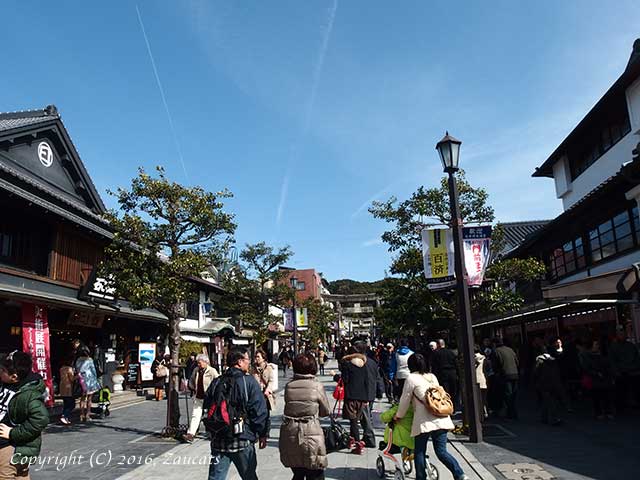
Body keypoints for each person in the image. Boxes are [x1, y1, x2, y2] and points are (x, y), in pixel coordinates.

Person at [394, 354, 468, 480]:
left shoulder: (411, 378)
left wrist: (398, 416)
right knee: (441, 451)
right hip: (441, 418)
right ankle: (459, 474)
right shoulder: (432, 376)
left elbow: (405, 400)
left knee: (420, 451)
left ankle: (421, 477)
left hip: (424, 421)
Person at [204, 347, 268, 480]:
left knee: (215, 477)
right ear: (239, 362)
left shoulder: (217, 381)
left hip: (219, 438)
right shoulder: (248, 381)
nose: (249, 362)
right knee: (249, 476)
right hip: (242, 438)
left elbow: (207, 406)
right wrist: (261, 433)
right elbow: (259, 411)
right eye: (247, 359)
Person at [279, 353, 331, 480]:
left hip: (290, 430)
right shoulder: (317, 385)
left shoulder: (289, 386)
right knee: (315, 472)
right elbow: (326, 411)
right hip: (311, 429)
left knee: (298, 471)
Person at [0, 351, 49, 478]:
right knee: (21, 476)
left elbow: (41, 420)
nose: (0, 372)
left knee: (6, 476)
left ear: (14, 376)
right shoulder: (7, 383)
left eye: (2, 370)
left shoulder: (29, 394)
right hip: (9, 445)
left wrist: (13, 433)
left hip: (11, 446)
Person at [340, 341, 377, 453]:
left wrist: (337, 377)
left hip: (351, 396)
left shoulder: (347, 364)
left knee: (353, 421)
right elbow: (368, 381)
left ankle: (357, 443)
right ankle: (353, 440)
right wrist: (367, 398)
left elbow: (345, 380)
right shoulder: (365, 364)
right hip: (362, 397)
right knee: (360, 419)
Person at [184, 354, 219, 443]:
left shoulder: (212, 371)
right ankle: (190, 434)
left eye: (199, 363)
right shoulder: (196, 370)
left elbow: (219, 381)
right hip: (198, 397)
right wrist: (192, 389)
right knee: (195, 415)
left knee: (210, 416)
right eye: (197, 363)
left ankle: (212, 433)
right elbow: (192, 380)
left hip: (209, 398)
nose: (198, 365)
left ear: (205, 362)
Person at [579, 339, 615, 419]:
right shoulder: (588, 356)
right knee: (596, 396)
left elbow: (608, 365)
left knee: (606, 395)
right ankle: (599, 412)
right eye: (595, 344)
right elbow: (586, 368)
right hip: (594, 378)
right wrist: (595, 373)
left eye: (597, 344)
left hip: (604, 377)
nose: (597, 346)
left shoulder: (602, 355)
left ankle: (607, 411)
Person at [609, 326, 640, 412]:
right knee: (621, 391)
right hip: (623, 372)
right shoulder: (614, 347)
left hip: (630, 371)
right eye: (620, 334)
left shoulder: (630, 346)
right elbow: (612, 361)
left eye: (623, 334)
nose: (622, 336)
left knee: (633, 389)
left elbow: (637, 358)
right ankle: (622, 406)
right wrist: (616, 372)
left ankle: (627, 404)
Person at [533, 345, 564, 425]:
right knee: (551, 400)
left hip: (544, 383)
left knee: (547, 400)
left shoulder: (539, 360)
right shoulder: (553, 360)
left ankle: (549, 418)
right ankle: (549, 418)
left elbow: (536, 372)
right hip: (553, 382)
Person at [251, 349, 276, 436]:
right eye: (255, 357)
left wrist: (268, 390)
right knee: (256, 414)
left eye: (258, 357)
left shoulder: (268, 368)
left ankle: (266, 432)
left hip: (265, 395)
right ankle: (258, 432)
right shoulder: (252, 368)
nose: (256, 359)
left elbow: (271, 380)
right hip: (256, 395)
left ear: (263, 358)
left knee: (266, 415)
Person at [494, 338, 519, 419]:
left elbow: (496, 364)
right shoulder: (510, 349)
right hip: (515, 373)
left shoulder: (496, 351)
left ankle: (511, 413)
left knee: (508, 394)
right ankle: (514, 412)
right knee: (513, 394)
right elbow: (517, 361)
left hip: (505, 374)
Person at [430, 339, 459, 410]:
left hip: (442, 374)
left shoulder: (436, 354)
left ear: (438, 345)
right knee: (453, 391)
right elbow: (456, 364)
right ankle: (454, 407)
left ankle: (447, 407)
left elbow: (434, 366)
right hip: (452, 373)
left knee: (445, 391)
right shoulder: (451, 353)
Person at [75, 346, 101, 422]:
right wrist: (96, 378)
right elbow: (93, 370)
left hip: (81, 379)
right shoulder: (89, 360)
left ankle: (81, 414)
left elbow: (77, 369)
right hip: (90, 380)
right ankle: (87, 415)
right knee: (89, 399)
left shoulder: (78, 360)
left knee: (82, 398)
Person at [59, 356, 76, 425]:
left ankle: (66, 418)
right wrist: (78, 376)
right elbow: (72, 379)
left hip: (62, 386)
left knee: (66, 403)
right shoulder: (69, 369)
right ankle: (64, 416)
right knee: (71, 404)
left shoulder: (61, 368)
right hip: (68, 387)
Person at [474, 347, 488, 419]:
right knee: (483, 399)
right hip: (484, 380)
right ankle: (485, 412)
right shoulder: (484, 358)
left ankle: (479, 414)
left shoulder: (472, 359)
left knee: (477, 399)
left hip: (476, 381)